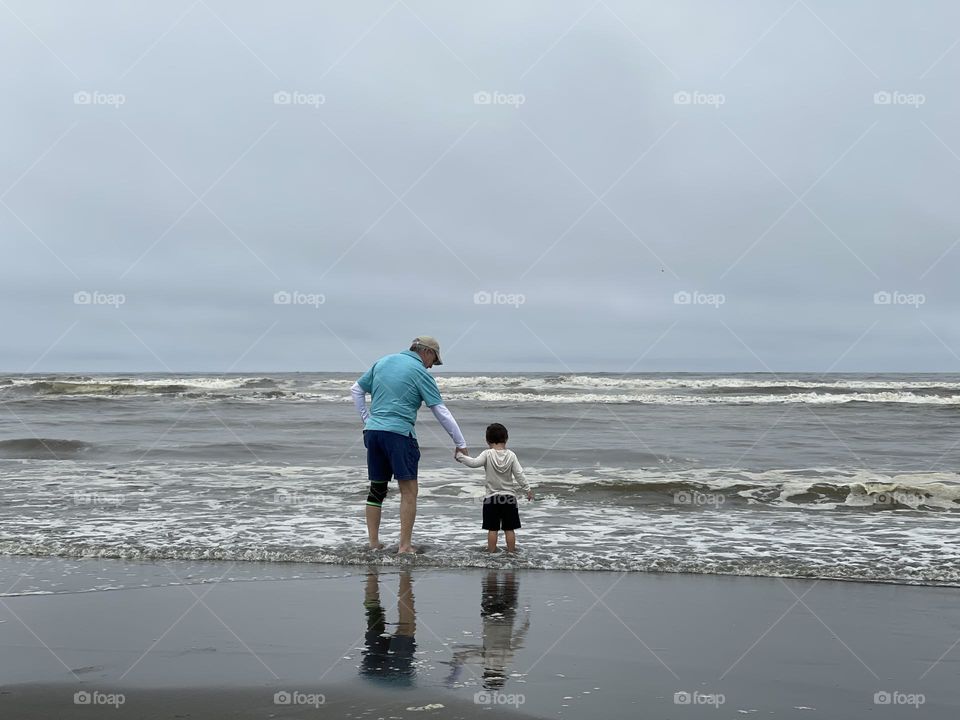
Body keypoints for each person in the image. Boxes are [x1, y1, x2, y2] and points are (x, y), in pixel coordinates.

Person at [351, 336, 469, 553]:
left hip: (373, 433)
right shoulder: (420, 373)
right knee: (409, 491)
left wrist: (367, 419)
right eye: (434, 360)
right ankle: (405, 546)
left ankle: (374, 543)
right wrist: (460, 442)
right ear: (427, 352)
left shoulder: (383, 362)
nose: (432, 366)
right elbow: (440, 410)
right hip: (399, 435)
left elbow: (356, 389)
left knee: (377, 489)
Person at [455, 423, 532, 553]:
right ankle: (511, 553)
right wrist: (527, 489)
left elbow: (474, 463)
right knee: (509, 529)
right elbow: (519, 474)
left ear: (487, 440)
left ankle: (491, 554)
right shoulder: (511, 455)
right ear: (506, 439)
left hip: (491, 498)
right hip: (509, 498)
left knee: (492, 529)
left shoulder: (487, 454)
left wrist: (460, 456)